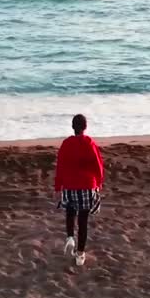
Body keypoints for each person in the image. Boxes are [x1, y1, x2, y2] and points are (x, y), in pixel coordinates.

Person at [54, 114, 105, 266]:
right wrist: (99, 182)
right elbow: (98, 164)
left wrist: (58, 187)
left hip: (70, 185)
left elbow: (60, 166)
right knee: (83, 221)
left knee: (70, 213)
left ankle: (70, 237)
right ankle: (80, 255)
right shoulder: (89, 143)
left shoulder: (66, 144)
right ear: (85, 127)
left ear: (72, 127)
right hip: (87, 185)